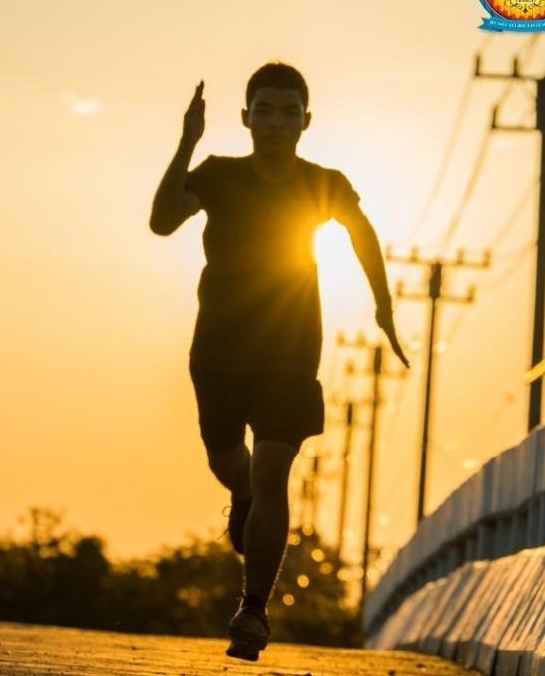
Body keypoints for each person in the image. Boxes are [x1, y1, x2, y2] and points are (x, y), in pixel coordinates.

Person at [149, 63, 409, 661]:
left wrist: (384, 305)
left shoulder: (324, 182)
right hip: (217, 349)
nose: (275, 122)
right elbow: (163, 222)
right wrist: (187, 143)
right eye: (263, 110)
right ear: (245, 118)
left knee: (272, 472)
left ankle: (253, 612)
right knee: (228, 462)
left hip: (291, 350)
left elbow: (362, 232)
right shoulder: (217, 175)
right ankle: (239, 495)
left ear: (306, 121)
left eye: (289, 112)